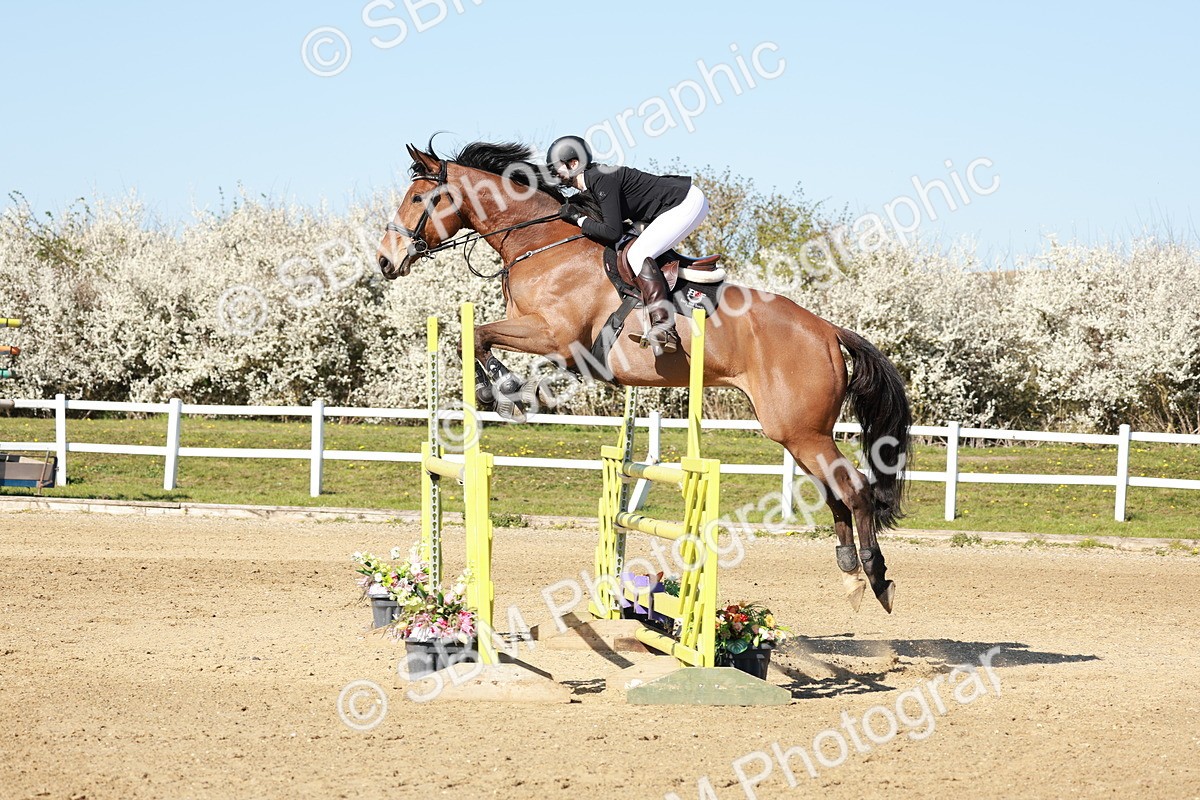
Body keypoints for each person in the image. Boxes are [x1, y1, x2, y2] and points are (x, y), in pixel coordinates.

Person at [546, 135, 709, 356]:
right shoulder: (593, 182)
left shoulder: (600, 179)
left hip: (686, 203)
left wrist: (579, 220)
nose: (555, 175)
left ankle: (665, 327)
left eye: (557, 169)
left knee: (638, 254)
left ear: (574, 164)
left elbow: (613, 232)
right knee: (631, 248)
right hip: (667, 207)